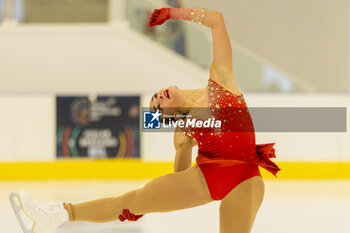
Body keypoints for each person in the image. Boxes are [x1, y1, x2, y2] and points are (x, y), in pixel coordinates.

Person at [10, 7, 280, 233]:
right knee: (129, 200)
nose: (159, 97)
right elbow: (180, 181)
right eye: (159, 105)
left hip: (246, 179)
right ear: (171, 115)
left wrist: (172, 13)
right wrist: (148, 202)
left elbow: (216, 20)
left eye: (156, 97)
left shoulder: (221, 80)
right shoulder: (183, 129)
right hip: (207, 177)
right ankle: (57, 215)